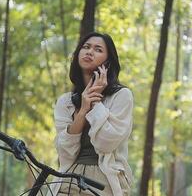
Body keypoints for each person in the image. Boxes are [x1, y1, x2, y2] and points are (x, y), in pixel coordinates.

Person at [50, 32, 133, 196]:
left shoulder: (122, 96)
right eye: (86, 47)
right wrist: (82, 111)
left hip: (104, 181)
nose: (89, 52)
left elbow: (106, 143)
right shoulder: (65, 101)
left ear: (108, 62)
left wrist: (95, 101)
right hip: (68, 178)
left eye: (98, 49)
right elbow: (65, 153)